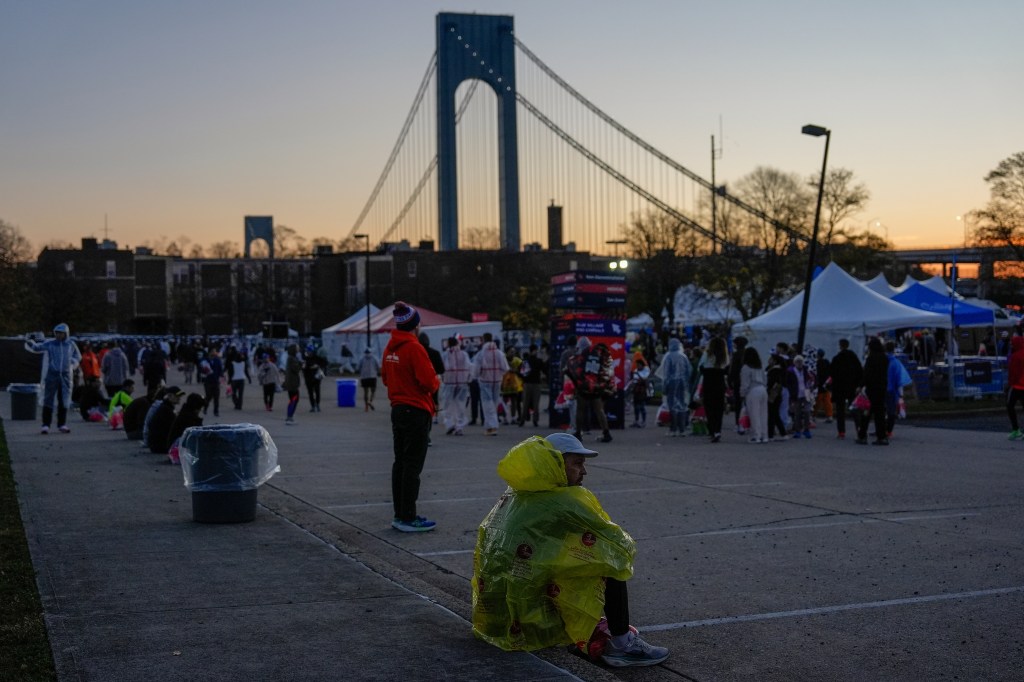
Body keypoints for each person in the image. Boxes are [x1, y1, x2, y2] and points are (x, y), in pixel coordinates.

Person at [472, 433, 669, 667]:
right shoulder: (564, 501)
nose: (584, 471)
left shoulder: (515, 494)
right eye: (577, 463)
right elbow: (619, 545)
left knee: (571, 559)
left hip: (495, 620)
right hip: (527, 619)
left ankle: (581, 634)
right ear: (554, 464)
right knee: (611, 561)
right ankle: (622, 644)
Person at [381, 302, 440, 532]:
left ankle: (400, 514)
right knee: (413, 465)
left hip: (398, 409)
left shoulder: (391, 347)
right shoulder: (415, 348)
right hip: (415, 410)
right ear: (415, 325)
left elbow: (385, 378)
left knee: (401, 464)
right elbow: (428, 382)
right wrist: (436, 382)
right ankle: (408, 516)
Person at [25, 323, 82, 434]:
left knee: (64, 400)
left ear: (66, 334)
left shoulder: (71, 344)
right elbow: (37, 348)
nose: (58, 335)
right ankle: (46, 425)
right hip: (52, 375)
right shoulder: (50, 344)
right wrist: (29, 342)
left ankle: (62, 424)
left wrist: (72, 363)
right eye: (57, 333)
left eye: (61, 333)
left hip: (65, 376)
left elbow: (77, 356)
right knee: (48, 399)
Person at [567, 337, 614, 443]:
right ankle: (606, 433)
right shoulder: (597, 355)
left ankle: (578, 433)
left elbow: (575, 371)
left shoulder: (580, 356)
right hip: (596, 387)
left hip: (584, 387)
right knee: (599, 410)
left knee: (581, 410)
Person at [472, 332, 509, 436]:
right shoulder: (499, 353)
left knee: (487, 405)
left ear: (483, 340)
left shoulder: (481, 354)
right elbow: (505, 368)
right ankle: (491, 426)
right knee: (494, 403)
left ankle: (492, 427)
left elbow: (476, 370)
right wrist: (499, 375)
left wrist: (476, 376)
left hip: (485, 381)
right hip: (497, 381)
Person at [654, 338, 691, 436]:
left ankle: (673, 429)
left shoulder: (669, 356)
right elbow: (689, 371)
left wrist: (665, 387)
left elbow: (666, 374)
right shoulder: (684, 356)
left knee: (672, 407)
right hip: (683, 384)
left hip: (671, 383)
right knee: (682, 406)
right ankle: (682, 429)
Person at [829, 339, 863, 440]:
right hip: (852, 387)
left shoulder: (837, 358)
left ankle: (841, 432)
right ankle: (860, 430)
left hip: (840, 388)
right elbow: (860, 371)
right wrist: (858, 385)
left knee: (840, 411)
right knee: (854, 409)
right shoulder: (853, 358)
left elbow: (832, 373)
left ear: (840, 346)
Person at [858, 337, 890, 445]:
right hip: (881, 388)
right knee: (879, 414)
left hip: (871, 389)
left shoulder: (871, 358)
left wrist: (861, 385)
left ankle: (862, 435)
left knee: (866, 413)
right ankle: (882, 436)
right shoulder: (884, 358)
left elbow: (866, 374)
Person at [698, 337, 729, 443]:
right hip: (720, 382)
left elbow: (700, 366)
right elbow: (727, 369)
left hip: (708, 381)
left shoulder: (707, 354)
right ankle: (718, 430)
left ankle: (712, 430)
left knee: (709, 408)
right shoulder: (724, 356)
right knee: (718, 409)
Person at [441, 337, 471, 436]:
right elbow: (469, 367)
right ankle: (459, 426)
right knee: (460, 405)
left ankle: (450, 424)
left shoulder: (446, 354)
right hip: (462, 383)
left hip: (449, 383)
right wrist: (468, 379)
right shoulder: (463, 354)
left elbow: (443, 368)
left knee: (448, 405)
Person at [740, 347, 769, 443]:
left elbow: (745, 383)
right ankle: (764, 435)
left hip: (753, 391)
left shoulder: (746, 367)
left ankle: (756, 435)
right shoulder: (760, 366)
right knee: (763, 414)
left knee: (754, 414)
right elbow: (765, 380)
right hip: (763, 390)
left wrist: (742, 393)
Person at [147, 386, 185, 454]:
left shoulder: (165, 407)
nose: (179, 398)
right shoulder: (166, 410)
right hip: (160, 447)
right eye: (177, 396)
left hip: (155, 445)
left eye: (180, 396)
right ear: (169, 396)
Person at [786, 354, 816, 439]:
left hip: (807, 393)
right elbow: (788, 383)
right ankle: (797, 430)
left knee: (807, 412)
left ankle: (806, 430)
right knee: (797, 413)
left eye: (801, 361)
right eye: (797, 362)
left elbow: (814, 379)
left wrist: (812, 387)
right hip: (796, 394)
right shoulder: (790, 371)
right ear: (794, 363)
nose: (799, 363)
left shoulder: (807, 370)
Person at [519, 344, 545, 427]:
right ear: (534, 350)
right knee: (535, 403)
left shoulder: (525, 360)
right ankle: (535, 420)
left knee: (525, 402)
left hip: (527, 383)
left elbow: (521, 372)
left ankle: (522, 420)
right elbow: (543, 369)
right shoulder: (539, 361)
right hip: (536, 383)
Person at [766, 352, 789, 441]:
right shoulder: (780, 370)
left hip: (773, 394)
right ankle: (781, 433)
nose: (769, 360)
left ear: (775, 361)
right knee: (775, 414)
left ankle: (771, 434)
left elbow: (773, 383)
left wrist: (770, 394)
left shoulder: (774, 371)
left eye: (771, 359)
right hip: (778, 394)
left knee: (772, 415)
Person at [728, 336, 748, 434]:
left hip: (737, 381)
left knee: (738, 404)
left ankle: (738, 423)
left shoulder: (736, 355)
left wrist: (729, 380)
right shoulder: (748, 353)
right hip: (747, 381)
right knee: (747, 403)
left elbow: (733, 369)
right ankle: (746, 423)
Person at [1007, 336, 1024, 440]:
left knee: (1010, 406)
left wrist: (1010, 383)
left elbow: (1013, 372)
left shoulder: (1015, 356)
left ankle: (1016, 429)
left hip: (1017, 386)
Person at [626, 356, 651, 428]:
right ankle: (636, 421)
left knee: (642, 407)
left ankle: (643, 421)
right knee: (636, 407)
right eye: (637, 365)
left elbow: (645, 380)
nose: (637, 366)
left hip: (642, 392)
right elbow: (633, 381)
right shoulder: (636, 371)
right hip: (636, 392)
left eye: (639, 365)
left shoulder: (645, 371)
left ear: (642, 365)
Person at [199, 349, 223, 417]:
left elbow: (220, 369)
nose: (214, 353)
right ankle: (205, 408)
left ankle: (216, 411)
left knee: (216, 397)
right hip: (208, 381)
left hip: (216, 381)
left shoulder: (217, 360)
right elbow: (200, 368)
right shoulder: (204, 360)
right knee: (208, 396)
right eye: (212, 351)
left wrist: (222, 376)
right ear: (209, 352)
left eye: (215, 351)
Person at [283, 343, 303, 425]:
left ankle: (290, 416)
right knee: (294, 399)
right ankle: (289, 417)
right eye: (297, 348)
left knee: (293, 399)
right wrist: (301, 364)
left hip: (291, 383)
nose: (298, 349)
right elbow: (296, 369)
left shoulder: (291, 358)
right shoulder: (292, 359)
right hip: (292, 383)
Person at [302, 345, 325, 412]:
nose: (308, 352)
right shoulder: (305, 359)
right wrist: (309, 368)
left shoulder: (317, 358)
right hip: (308, 378)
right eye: (307, 351)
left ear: (312, 351)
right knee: (310, 393)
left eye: (309, 351)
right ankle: (312, 406)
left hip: (316, 378)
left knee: (317, 391)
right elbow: (303, 368)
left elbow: (324, 363)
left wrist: (318, 366)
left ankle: (317, 404)